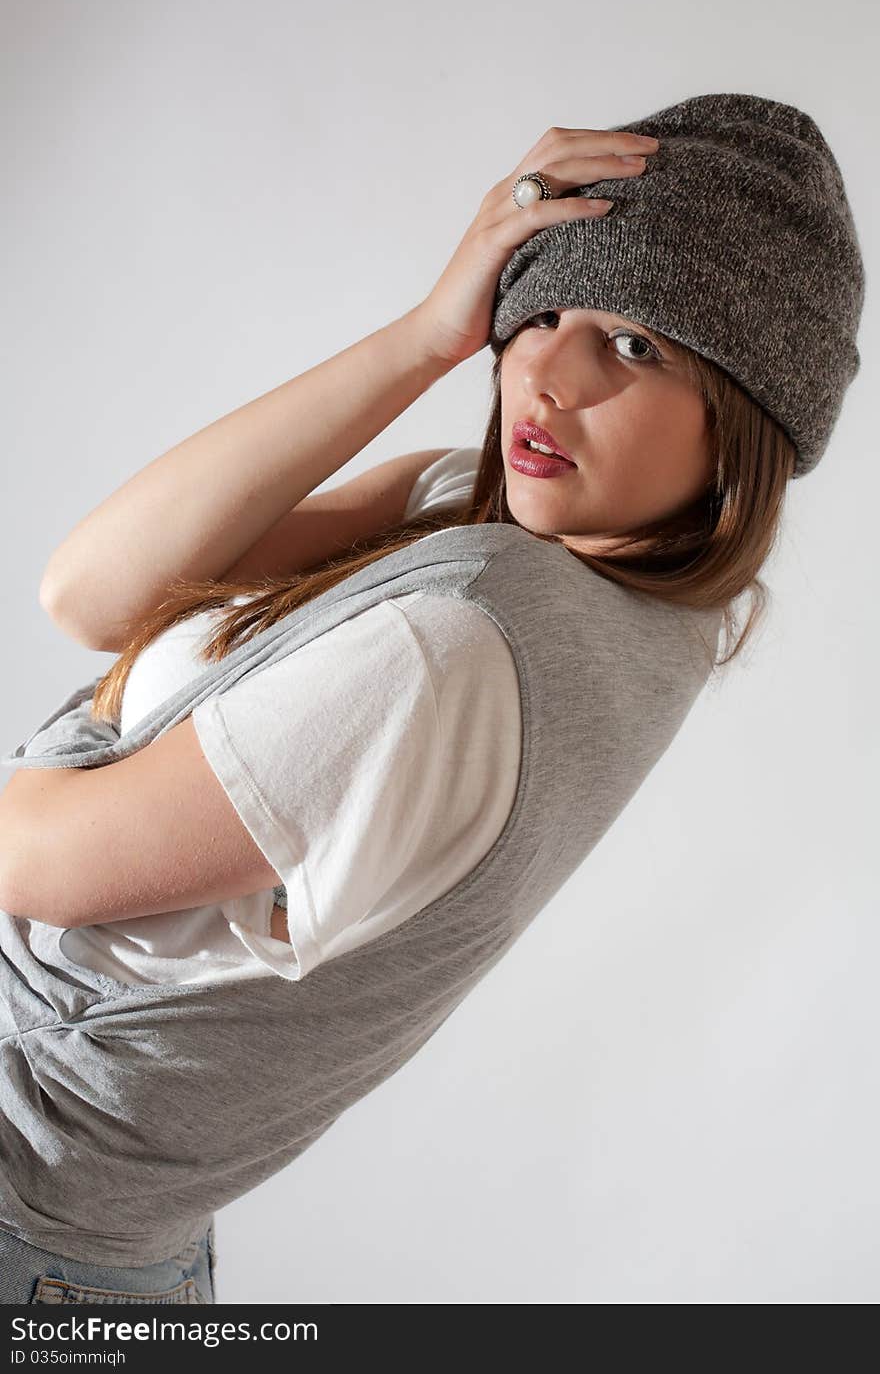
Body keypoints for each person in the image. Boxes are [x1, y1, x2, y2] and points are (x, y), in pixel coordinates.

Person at [0, 91, 864, 1304]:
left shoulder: (462, 646)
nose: (546, 377)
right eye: (543, 306)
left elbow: (30, 862)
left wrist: (87, 724)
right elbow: (91, 591)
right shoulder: (544, 547)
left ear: (747, 417)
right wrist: (426, 334)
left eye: (636, 345)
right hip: (96, 1250)